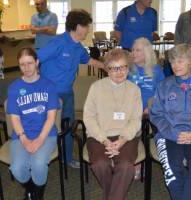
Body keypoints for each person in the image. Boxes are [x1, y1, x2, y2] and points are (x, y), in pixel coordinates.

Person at [37, 9, 104, 168]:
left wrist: (107, 67)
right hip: (50, 94)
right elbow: (36, 59)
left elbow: (89, 62)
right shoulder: (58, 42)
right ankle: (41, 157)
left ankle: (66, 159)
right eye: (86, 26)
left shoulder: (78, 47)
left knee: (68, 127)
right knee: (47, 127)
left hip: (67, 93)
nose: (88, 29)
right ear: (77, 26)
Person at [84, 49, 143, 200]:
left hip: (126, 136)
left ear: (128, 68)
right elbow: (89, 118)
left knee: (126, 167)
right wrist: (104, 140)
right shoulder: (96, 87)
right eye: (114, 68)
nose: (119, 72)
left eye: (123, 67)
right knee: (99, 164)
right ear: (106, 69)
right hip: (99, 135)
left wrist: (122, 139)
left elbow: (136, 120)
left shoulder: (134, 90)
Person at [7, 47, 60, 200]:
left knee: (38, 164)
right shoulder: (14, 88)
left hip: (46, 134)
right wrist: (24, 139)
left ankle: (37, 196)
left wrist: (39, 140)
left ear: (37, 62)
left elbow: (51, 118)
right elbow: (15, 119)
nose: (27, 68)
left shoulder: (49, 86)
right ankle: (31, 189)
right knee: (17, 168)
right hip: (21, 135)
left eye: (30, 63)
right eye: (22, 64)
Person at [150, 44, 191, 200]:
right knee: (172, 170)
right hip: (169, 135)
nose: (175, 66)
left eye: (180, 61)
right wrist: (173, 133)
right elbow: (156, 115)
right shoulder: (164, 85)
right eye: (172, 61)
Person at [127, 37, 164, 179]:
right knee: (130, 132)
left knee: (157, 129)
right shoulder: (129, 69)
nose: (133, 53)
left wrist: (150, 107)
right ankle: (135, 161)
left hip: (150, 110)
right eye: (133, 50)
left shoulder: (157, 70)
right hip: (132, 111)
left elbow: (161, 93)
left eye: (138, 50)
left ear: (147, 53)